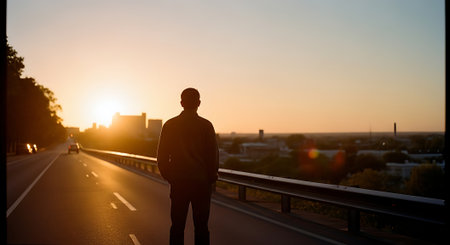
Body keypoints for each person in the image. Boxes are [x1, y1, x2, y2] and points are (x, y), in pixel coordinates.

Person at [157, 88, 219, 245]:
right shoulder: (206, 126)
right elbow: (213, 157)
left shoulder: (170, 125)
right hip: (201, 184)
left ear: (181, 103)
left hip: (179, 183)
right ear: (199, 103)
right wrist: (210, 179)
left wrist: (171, 177)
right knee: (201, 228)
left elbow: (162, 157)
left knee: (177, 227)